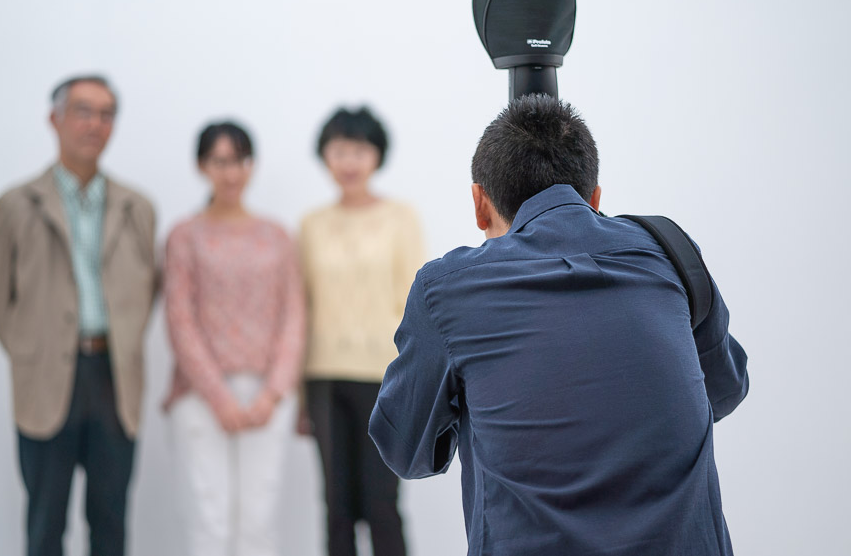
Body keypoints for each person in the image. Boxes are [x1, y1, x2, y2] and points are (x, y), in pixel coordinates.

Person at [370, 94, 750, 556]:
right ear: (595, 200)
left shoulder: (447, 289)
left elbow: (404, 449)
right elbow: (724, 389)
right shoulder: (671, 251)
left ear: (479, 205)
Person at [0, 75, 158, 556]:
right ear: (54, 119)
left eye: (106, 113)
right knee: (45, 521)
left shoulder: (136, 207)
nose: (95, 124)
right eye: (83, 110)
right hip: (47, 379)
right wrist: (28, 346)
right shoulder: (17, 205)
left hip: (114, 378)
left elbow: (148, 288)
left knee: (111, 521)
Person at [163, 122, 306, 556]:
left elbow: (293, 317)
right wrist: (218, 397)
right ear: (202, 166)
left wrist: (273, 393)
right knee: (210, 522)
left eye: (240, 161)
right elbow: (180, 320)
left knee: (258, 523)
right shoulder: (185, 235)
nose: (231, 173)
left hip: (267, 398)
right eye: (220, 162)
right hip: (200, 398)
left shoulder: (277, 236)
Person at [299, 107, 424, 556]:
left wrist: (414, 383)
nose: (348, 161)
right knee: (336, 506)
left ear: (376, 156)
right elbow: (304, 306)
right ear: (325, 156)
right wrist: (298, 395)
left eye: (359, 150)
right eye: (338, 150)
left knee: (381, 503)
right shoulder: (310, 225)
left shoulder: (400, 218)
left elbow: (415, 306)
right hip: (324, 376)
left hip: (383, 378)